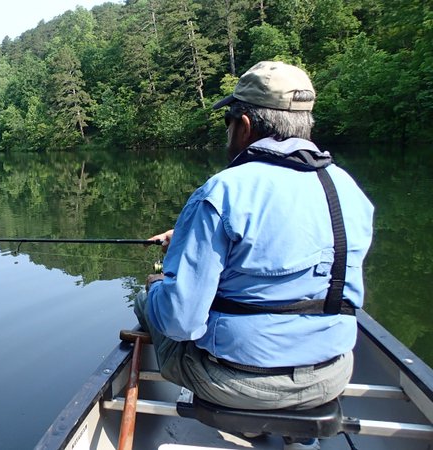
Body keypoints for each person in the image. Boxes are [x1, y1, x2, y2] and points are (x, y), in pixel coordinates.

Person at [135, 61, 374, 450]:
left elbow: (180, 323)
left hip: (237, 382)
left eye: (228, 122)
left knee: (151, 299)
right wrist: (189, 237)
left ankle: (249, 423)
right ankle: (294, 434)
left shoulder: (222, 192)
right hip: (333, 373)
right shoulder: (346, 187)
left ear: (243, 125)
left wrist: (162, 281)